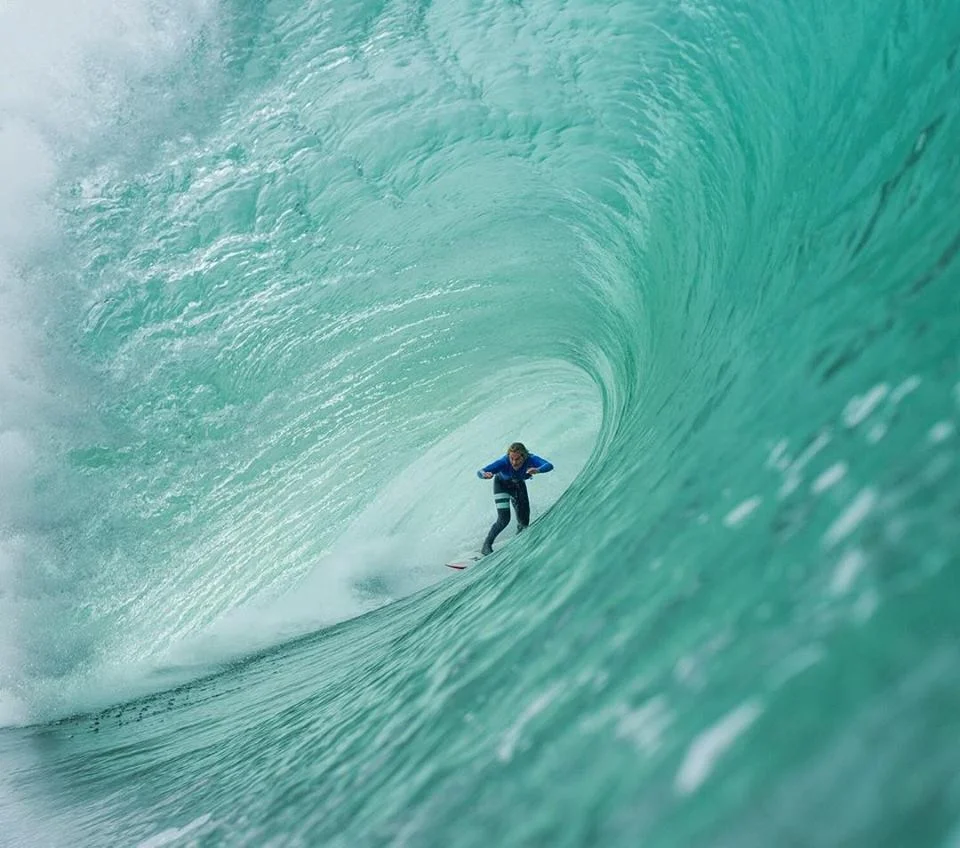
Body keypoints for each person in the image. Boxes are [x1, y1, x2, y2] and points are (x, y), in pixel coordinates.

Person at [476, 442, 554, 555]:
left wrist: (538, 470)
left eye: (517, 459)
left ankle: (519, 540)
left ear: (524, 456)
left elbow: (549, 465)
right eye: (511, 458)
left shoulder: (530, 459)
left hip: (518, 486)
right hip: (501, 486)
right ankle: (486, 545)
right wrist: (484, 475)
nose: (514, 462)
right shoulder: (504, 462)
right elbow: (480, 471)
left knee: (524, 522)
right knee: (504, 519)